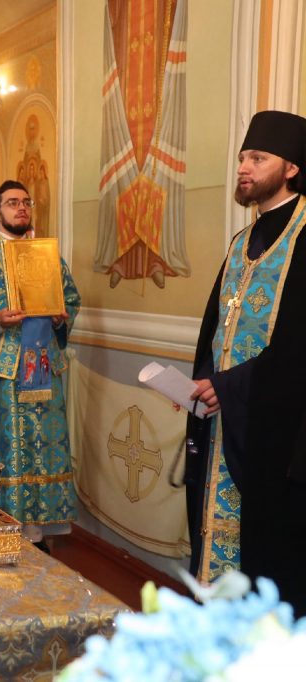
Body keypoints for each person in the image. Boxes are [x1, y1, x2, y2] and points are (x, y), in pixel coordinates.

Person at [186, 110, 306, 616]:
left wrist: (231, 386)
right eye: (242, 158)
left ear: (291, 168)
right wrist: (199, 386)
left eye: (257, 158)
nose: (244, 167)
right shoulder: (242, 241)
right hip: (224, 420)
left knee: (270, 553)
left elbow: (299, 346)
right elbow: (214, 326)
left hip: (276, 433)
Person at [0, 180, 80, 543]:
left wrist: (60, 317)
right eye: (12, 203)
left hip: (45, 369)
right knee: (6, 449)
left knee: (43, 447)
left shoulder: (48, 256)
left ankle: (37, 536)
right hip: (2, 374)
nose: (22, 207)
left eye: (26, 202)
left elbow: (71, 299)